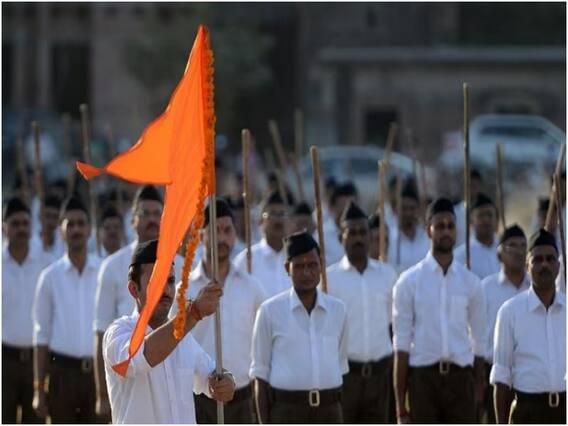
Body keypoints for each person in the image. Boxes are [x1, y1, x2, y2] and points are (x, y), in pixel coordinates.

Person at [103, 239, 235, 423]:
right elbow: (143, 356)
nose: (166, 290)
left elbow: (211, 375)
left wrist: (226, 382)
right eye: (156, 282)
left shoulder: (182, 338)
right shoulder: (118, 333)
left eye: (170, 281)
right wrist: (193, 313)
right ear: (134, 289)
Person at [93, 184, 184, 420]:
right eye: (145, 214)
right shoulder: (112, 266)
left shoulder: (182, 265)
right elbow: (101, 331)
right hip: (129, 369)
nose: (152, 220)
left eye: (157, 214)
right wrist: (102, 395)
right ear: (133, 220)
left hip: (172, 371)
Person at [392, 197, 486, 423]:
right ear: (428, 230)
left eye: (450, 226)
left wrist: (478, 391)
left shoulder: (471, 283)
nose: (446, 231)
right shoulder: (409, 282)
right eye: (440, 226)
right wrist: (400, 407)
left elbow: (480, 342)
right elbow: (401, 346)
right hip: (423, 381)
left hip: (460, 381)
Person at [176, 199, 266, 423]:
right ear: (201, 236)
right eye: (215, 230)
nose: (222, 238)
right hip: (198, 400)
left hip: (242, 398)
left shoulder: (252, 287)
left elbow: (264, 343)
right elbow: (174, 342)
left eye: (227, 230)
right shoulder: (184, 289)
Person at [250, 231, 349, 423]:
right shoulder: (269, 311)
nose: (306, 273)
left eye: (312, 265)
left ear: (321, 265)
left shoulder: (338, 310)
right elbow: (260, 375)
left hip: (329, 410)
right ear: (287, 268)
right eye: (299, 266)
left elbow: (341, 365)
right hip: (287, 411)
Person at [32, 195, 102, 423]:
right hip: (62, 375)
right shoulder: (49, 277)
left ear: (90, 230)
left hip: (98, 376)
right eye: (70, 224)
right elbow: (41, 336)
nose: (76, 229)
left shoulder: (103, 272)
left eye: (81, 223)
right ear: (61, 231)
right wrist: (38, 390)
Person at [326, 201, 398, 422]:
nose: (358, 237)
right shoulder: (329, 279)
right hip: (346, 378)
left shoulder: (387, 275)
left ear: (370, 236)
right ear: (341, 237)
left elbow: (392, 323)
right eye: (352, 232)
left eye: (362, 232)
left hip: (380, 376)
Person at [491, 229, 566, 424]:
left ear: (558, 266)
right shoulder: (510, 312)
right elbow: (502, 377)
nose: (544, 265)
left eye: (550, 259)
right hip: (528, 411)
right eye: (537, 259)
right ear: (527, 265)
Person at [2, 197, 54, 423]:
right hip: (4, 361)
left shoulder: (47, 264)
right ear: (4, 227)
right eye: (15, 224)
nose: (21, 229)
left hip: (37, 363)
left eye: (25, 223)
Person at [480, 224, 530, 423]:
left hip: (528, 375)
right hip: (494, 373)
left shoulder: (537, 289)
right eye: (512, 246)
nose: (518, 251)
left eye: (523, 246)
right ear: (499, 254)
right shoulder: (486, 288)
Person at [234, 190, 291, 298]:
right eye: (272, 214)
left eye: (282, 214)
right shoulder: (246, 260)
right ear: (260, 221)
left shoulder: (295, 258)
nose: (278, 220)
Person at [455, 193, 500, 279]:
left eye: (490, 215)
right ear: (471, 221)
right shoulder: (461, 256)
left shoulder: (507, 249)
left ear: (497, 220)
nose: (486, 220)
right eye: (481, 215)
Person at [388, 182, 429, 274]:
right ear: (395, 210)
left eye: (412, 208)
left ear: (418, 209)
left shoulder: (427, 238)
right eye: (404, 208)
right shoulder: (389, 240)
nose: (408, 213)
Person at [322, 182, 358, 265]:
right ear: (332, 207)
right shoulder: (322, 235)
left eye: (352, 207)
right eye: (343, 207)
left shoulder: (364, 232)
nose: (348, 212)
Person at [454, 168, 483, 247]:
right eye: (469, 186)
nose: (472, 190)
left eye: (474, 186)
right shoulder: (455, 213)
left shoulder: (486, 214)